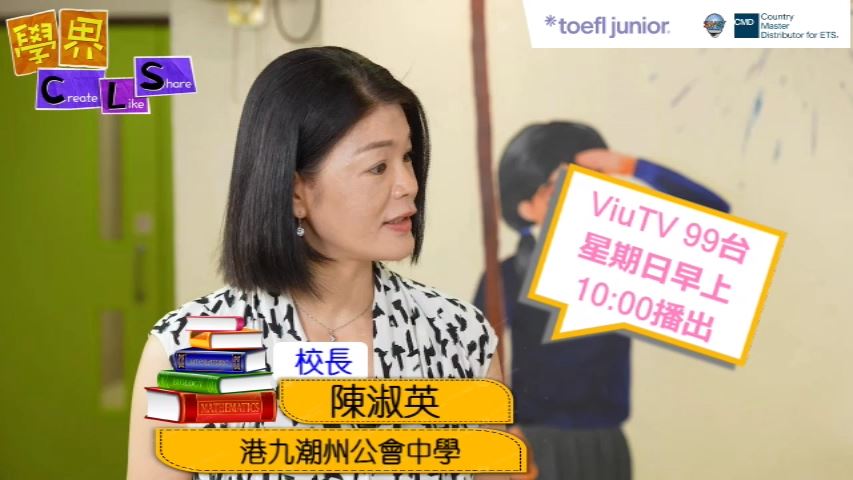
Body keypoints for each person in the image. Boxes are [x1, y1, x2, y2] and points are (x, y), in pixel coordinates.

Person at [127, 46, 506, 480]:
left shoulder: (458, 336)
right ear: (295, 193)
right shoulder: (189, 349)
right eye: (378, 166)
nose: (408, 184)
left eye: (406, 157)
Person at [474, 121, 730, 480]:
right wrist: (504, 434)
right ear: (526, 206)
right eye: (562, 186)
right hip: (534, 442)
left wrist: (633, 167)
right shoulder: (508, 275)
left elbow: (716, 221)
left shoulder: (623, 263)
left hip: (606, 443)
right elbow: (475, 361)